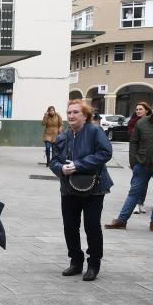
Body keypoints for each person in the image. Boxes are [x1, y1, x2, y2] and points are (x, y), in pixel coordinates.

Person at [50, 100, 113, 281]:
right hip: (69, 187)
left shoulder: (95, 131)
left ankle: (94, 263)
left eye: (76, 112)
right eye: (69, 112)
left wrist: (79, 165)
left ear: (85, 116)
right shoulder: (64, 136)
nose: (71, 116)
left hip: (94, 187)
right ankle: (75, 261)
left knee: (92, 225)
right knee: (70, 226)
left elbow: (105, 153)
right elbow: (54, 160)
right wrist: (61, 169)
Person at [105, 97, 153, 233]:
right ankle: (122, 220)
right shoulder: (141, 123)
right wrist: (134, 163)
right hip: (142, 164)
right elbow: (134, 143)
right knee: (134, 193)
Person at [127, 102, 151, 215]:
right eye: (137, 109)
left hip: (149, 156)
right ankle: (135, 203)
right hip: (137, 155)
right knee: (136, 181)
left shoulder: (152, 121)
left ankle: (141, 203)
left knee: (145, 182)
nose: (138, 111)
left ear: (146, 110)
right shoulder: (133, 122)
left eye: (140, 109)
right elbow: (133, 139)